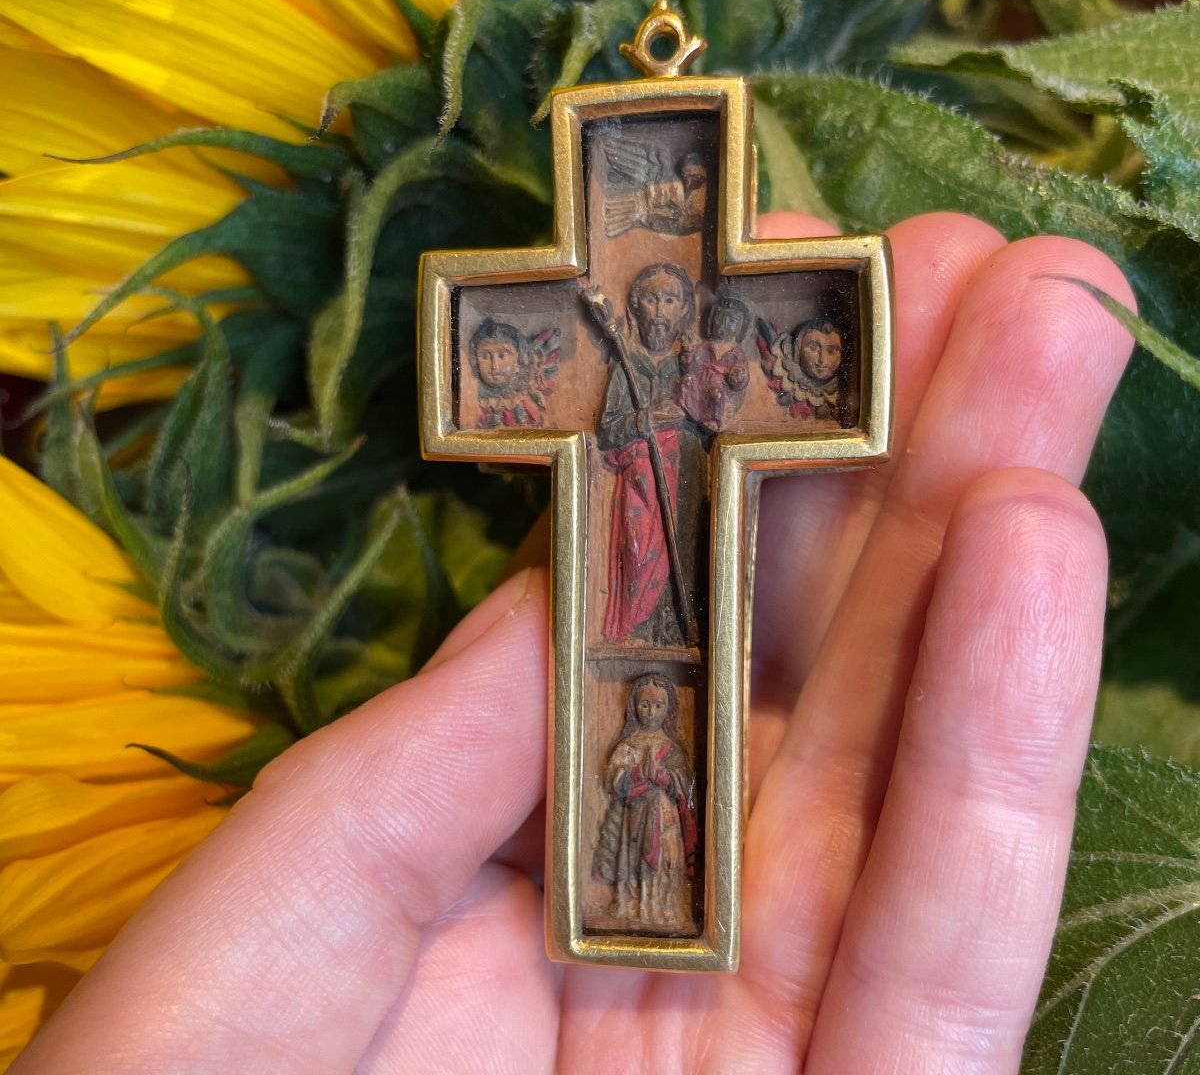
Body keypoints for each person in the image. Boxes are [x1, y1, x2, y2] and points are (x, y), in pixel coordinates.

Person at [11, 212, 1134, 1074]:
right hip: (630, 495)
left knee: (678, 598)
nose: (652, 318)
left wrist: (692, 392)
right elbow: (604, 394)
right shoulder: (621, 363)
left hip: (685, 489)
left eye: (660, 309)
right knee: (636, 587)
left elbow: (723, 386)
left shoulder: (699, 361)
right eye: (643, 309)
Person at [596, 262, 706, 645]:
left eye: (670, 299)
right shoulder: (627, 364)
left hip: (685, 473)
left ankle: (676, 630)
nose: (660, 310)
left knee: (686, 549)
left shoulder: (690, 364)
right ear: (634, 308)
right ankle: (637, 628)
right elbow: (608, 430)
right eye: (651, 298)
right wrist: (646, 418)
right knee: (638, 550)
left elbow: (710, 417)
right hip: (640, 479)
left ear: (686, 311)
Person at [593, 673, 698, 933]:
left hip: (665, 818)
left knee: (666, 861)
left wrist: (664, 777)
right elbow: (613, 781)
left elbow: (684, 786)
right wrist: (638, 774)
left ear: (669, 709)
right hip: (635, 818)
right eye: (645, 704)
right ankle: (632, 905)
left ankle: (663, 907)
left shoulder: (672, 749)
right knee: (633, 860)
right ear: (634, 706)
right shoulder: (628, 746)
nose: (651, 712)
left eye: (658, 706)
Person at [468, 317, 560, 428]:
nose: (495, 366)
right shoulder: (473, 395)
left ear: (519, 361)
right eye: (485, 356)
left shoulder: (528, 390)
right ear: (476, 362)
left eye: (502, 355)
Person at [680, 291, 751, 432]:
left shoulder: (736, 353)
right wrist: (688, 351)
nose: (723, 326)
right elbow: (690, 364)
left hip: (720, 390)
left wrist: (738, 375)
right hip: (700, 386)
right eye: (719, 319)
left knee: (716, 394)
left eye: (731, 322)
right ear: (712, 320)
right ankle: (688, 409)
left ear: (741, 328)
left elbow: (741, 380)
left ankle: (714, 419)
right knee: (687, 381)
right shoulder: (706, 346)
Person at [757, 314, 845, 422]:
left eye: (831, 351)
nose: (822, 359)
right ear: (797, 349)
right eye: (813, 348)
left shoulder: (842, 390)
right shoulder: (785, 370)